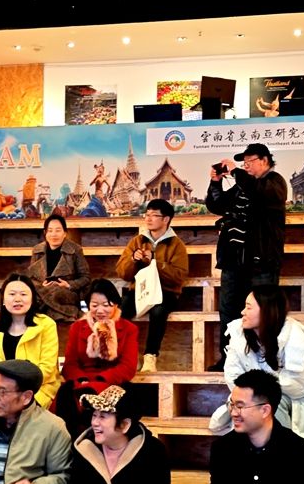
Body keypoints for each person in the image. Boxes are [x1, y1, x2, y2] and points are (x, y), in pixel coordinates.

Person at [207, 143, 287, 371]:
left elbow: (261, 194)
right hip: (233, 260)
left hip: (261, 261)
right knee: (229, 311)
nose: (246, 166)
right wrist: (215, 182)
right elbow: (217, 205)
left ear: (264, 161)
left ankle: (265, 359)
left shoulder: (274, 182)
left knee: (263, 311)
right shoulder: (242, 186)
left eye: (249, 162)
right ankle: (229, 358)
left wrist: (236, 173)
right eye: (244, 163)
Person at [220, 285, 304, 454]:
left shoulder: (295, 336)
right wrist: (253, 393)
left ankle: (278, 454)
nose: (243, 312)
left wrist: (261, 389)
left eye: (248, 307)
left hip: (291, 400)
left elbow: (300, 385)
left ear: (267, 311)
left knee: (269, 403)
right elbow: (232, 375)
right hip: (250, 398)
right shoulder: (238, 333)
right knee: (243, 405)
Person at [116, 198, 189, 373]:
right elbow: (122, 272)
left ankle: (150, 356)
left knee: (158, 311)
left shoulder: (176, 245)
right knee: (122, 308)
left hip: (166, 292)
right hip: (140, 291)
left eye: (154, 215)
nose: (148, 219)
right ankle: (123, 355)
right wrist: (133, 260)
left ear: (166, 219)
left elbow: (179, 276)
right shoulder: (137, 241)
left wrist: (155, 262)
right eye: (146, 214)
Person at [58, 279, 139, 435]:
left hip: (112, 382)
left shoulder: (129, 328)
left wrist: (100, 381)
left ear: (116, 304)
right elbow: (70, 365)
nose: (100, 310)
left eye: (106, 305)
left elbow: (128, 367)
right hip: (82, 383)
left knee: (130, 396)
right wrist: (83, 380)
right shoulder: (77, 327)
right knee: (65, 394)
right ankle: (70, 441)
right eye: (94, 305)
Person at [0, 273, 61, 409]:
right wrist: (4, 385)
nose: (18, 299)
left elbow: (47, 367)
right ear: (3, 299)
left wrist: (17, 386)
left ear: (32, 299)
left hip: (36, 390)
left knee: (19, 411)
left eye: (23, 294)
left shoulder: (46, 325)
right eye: (12, 294)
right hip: (1, 390)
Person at [26, 213, 91, 322]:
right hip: (43, 290)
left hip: (66, 293)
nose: (54, 234)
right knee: (34, 292)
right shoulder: (37, 250)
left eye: (58, 230)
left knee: (54, 292)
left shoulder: (75, 250)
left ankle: (37, 310)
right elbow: (31, 278)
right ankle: (68, 312)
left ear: (65, 233)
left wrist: (68, 285)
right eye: (50, 230)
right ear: (45, 233)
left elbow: (86, 278)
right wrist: (41, 285)